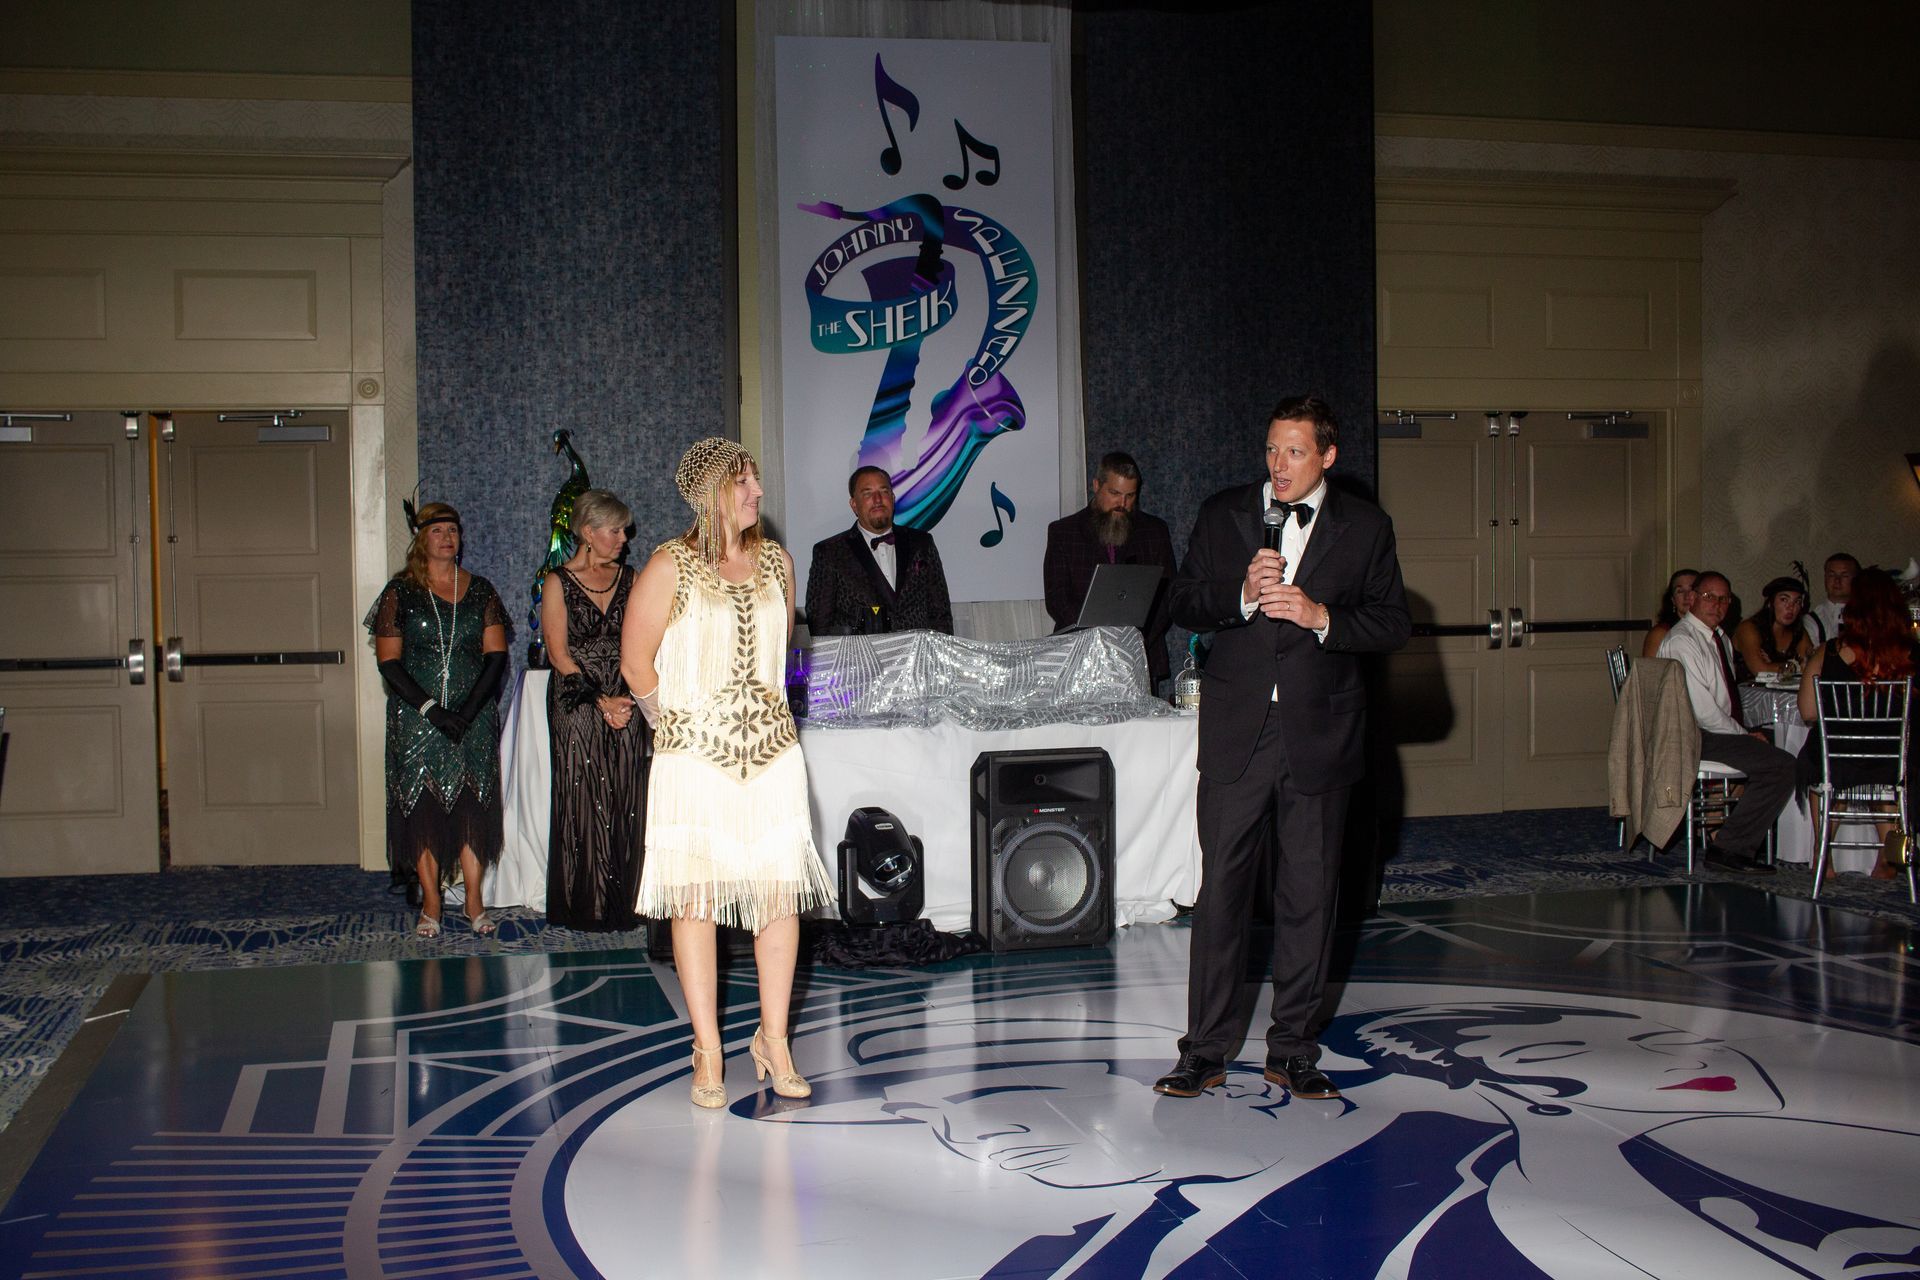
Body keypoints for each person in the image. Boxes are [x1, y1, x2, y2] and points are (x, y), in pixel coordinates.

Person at [1155, 395, 1410, 1101]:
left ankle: (1293, 1049)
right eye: (1271, 450)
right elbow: (1181, 601)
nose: (1279, 466)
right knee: (1222, 897)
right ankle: (1202, 1050)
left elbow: (1393, 623)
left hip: (1320, 735)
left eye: (1295, 452)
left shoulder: (1365, 527)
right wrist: (1238, 594)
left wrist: (1323, 616)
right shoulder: (1224, 512)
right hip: (1238, 733)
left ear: (1328, 456)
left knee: (1310, 897)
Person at [621, 438, 835, 1108]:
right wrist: (677, 729)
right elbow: (635, 665)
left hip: (772, 755)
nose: (759, 493)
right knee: (696, 901)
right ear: (716, 491)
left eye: (757, 480)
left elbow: (781, 660)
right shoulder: (669, 564)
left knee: (778, 897)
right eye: (746, 482)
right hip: (693, 761)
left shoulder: (778, 562)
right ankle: (708, 1049)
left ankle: (774, 1040)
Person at [364, 501, 510, 937]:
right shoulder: (400, 593)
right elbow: (389, 663)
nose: (448, 537)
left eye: (453, 530)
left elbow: (496, 657)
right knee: (422, 809)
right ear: (420, 539)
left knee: (473, 807)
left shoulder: (482, 591)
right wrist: (433, 710)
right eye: (438, 531)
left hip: (473, 718)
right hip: (416, 719)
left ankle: (474, 900)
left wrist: (466, 712)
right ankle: (431, 902)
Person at [542, 488, 648, 931]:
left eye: (624, 529)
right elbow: (558, 652)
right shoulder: (557, 581)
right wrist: (598, 700)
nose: (623, 537)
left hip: (628, 693)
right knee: (583, 798)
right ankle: (583, 903)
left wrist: (626, 695)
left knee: (629, 794)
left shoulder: (634, 577)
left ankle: (630, 903)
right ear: (588, 533)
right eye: (615, 530)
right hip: (576, 697)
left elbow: (646, 641)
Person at [1655, 570, 1790, 876]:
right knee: (1781, 765)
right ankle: (1729, 847)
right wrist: (1744, 735)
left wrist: (1746, 735)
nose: (1717, 604)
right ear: (1692, 599)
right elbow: (1704, 712)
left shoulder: (1719, 638)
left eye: (1724, 599)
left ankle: (1757, 836)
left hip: (1711, 730)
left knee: (1780, 740)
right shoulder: (1683, 641)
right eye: (1709, 597)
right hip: (1692, 735)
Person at [1796, 566, 1919, 879]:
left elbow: (1808, 712)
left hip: (1838, 761)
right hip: (1893, 762)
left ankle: (1822, 856)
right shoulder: (1911, 655)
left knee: (1816, 753)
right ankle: (1886, 859)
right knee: (1889, 771)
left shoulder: (1830, 652)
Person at [1042, 451, 1179, 685]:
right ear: (1096, 485)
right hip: (1081, 658)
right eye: (1114, 493)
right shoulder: (1063, 533)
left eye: (1130, 496)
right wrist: (1099, 642)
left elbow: (1167, 596)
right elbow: (1057, 599)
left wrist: (1132, 642)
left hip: (1140, 656)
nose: (1122, 504)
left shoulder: (1154, 531)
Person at [803, 465, 954, 635]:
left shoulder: (922, 543)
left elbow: (941, 614)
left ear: (892, 498)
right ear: (854, 504)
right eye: (867, 493)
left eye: (884, 491)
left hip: (918, 658)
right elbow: (819, 624)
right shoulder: (830, 553)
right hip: (859, 660)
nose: (877, 499)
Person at [1731, 574, 1816, 676]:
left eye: (1797, 601)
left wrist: (1773, 666)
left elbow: (1812, 666)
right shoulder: (1749, 628)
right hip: (1747, 690)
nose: (1791, 607)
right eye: (1784, 599)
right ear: (1770, 603)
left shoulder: (1798, 632)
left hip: (1786, 691)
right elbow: (1759, 670)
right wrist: (1796, 666)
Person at [1802, 552, 1859, 646]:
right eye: (1832, 575)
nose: (1837, 580)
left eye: (1844, 576)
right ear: (1825, 579)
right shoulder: (1812, 620)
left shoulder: (1866, 616)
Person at [1642, 568, 1699, 658]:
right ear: (1673, 600)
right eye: (1680, 591)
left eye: (1691, 590)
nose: (1687, 596)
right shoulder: (1660, 633)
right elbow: (1650, 670)